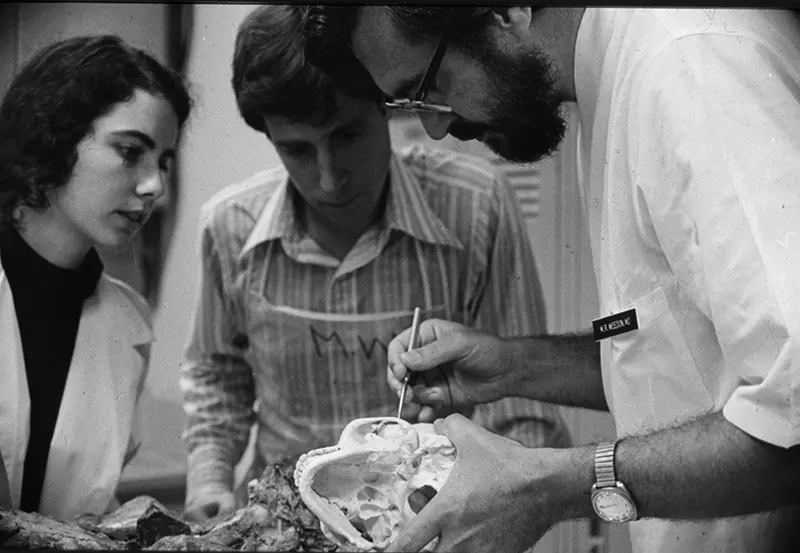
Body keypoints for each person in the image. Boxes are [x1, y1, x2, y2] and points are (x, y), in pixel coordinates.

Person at [301, 6, 800, 553]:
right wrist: (514, 365)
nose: (436, 127)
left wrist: (548, 485)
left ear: (506, 11)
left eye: (428, 86)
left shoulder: (688, 66)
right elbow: (687, 355)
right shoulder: (611, 79)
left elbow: (791, 415)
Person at [179, 4, 570, 523]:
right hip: (283, 522)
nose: (329, 179)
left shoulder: (475, 206)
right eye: (297, 150)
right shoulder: (229, 227)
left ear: (388, 108)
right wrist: (210, 483)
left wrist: (490, 508)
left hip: (427, 521)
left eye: (347, 137)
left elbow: (523, 411)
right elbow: (216, 378)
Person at [0, 35, 191, 521]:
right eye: (131, 152)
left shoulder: (129, 321)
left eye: (164, 162)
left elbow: (82, 510)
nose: (156, 188)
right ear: (54, 136)